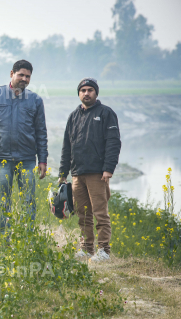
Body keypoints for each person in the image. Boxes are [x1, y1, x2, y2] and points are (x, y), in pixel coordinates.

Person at [0, 60, 48, 235]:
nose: (24, 79)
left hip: (28, 159)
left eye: (28, 76)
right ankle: (4, 239)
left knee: (28, 201)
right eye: (21, 75)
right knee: (3, 201)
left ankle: (27, 240)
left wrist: (43, 160)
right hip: (2, 159)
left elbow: (41, 132)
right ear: (11, 74)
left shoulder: (35, 100)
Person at [58, 78, 121, 262]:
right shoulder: (73, 116)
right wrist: (63, 173)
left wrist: (108, 168)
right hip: (77, 174)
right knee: (82, 214)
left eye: (90, 90)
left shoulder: (106, 113)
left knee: (100, 213)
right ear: (79, 93)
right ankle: (87, 249)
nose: (86, 93)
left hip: (97, 174)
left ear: (96, 93)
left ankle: (104, 251)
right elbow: (66, 147)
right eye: (83, 90)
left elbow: (113, 142)